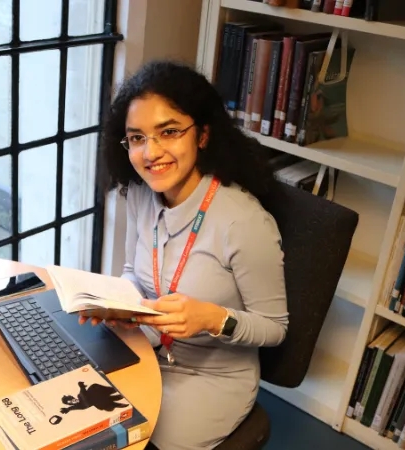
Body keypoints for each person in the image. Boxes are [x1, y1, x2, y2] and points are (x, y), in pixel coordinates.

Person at [80, 60, 289, 450]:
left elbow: (275, 328)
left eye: (169, 132)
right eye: (137, 138)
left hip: (212, 377)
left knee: (134, 439)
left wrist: (212, 318)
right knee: (81, 417)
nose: (150, 153)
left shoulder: (244, 222)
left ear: (203, 135)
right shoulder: (139, 194)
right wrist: (120, 306)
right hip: (148, 347)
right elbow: (133, 271)